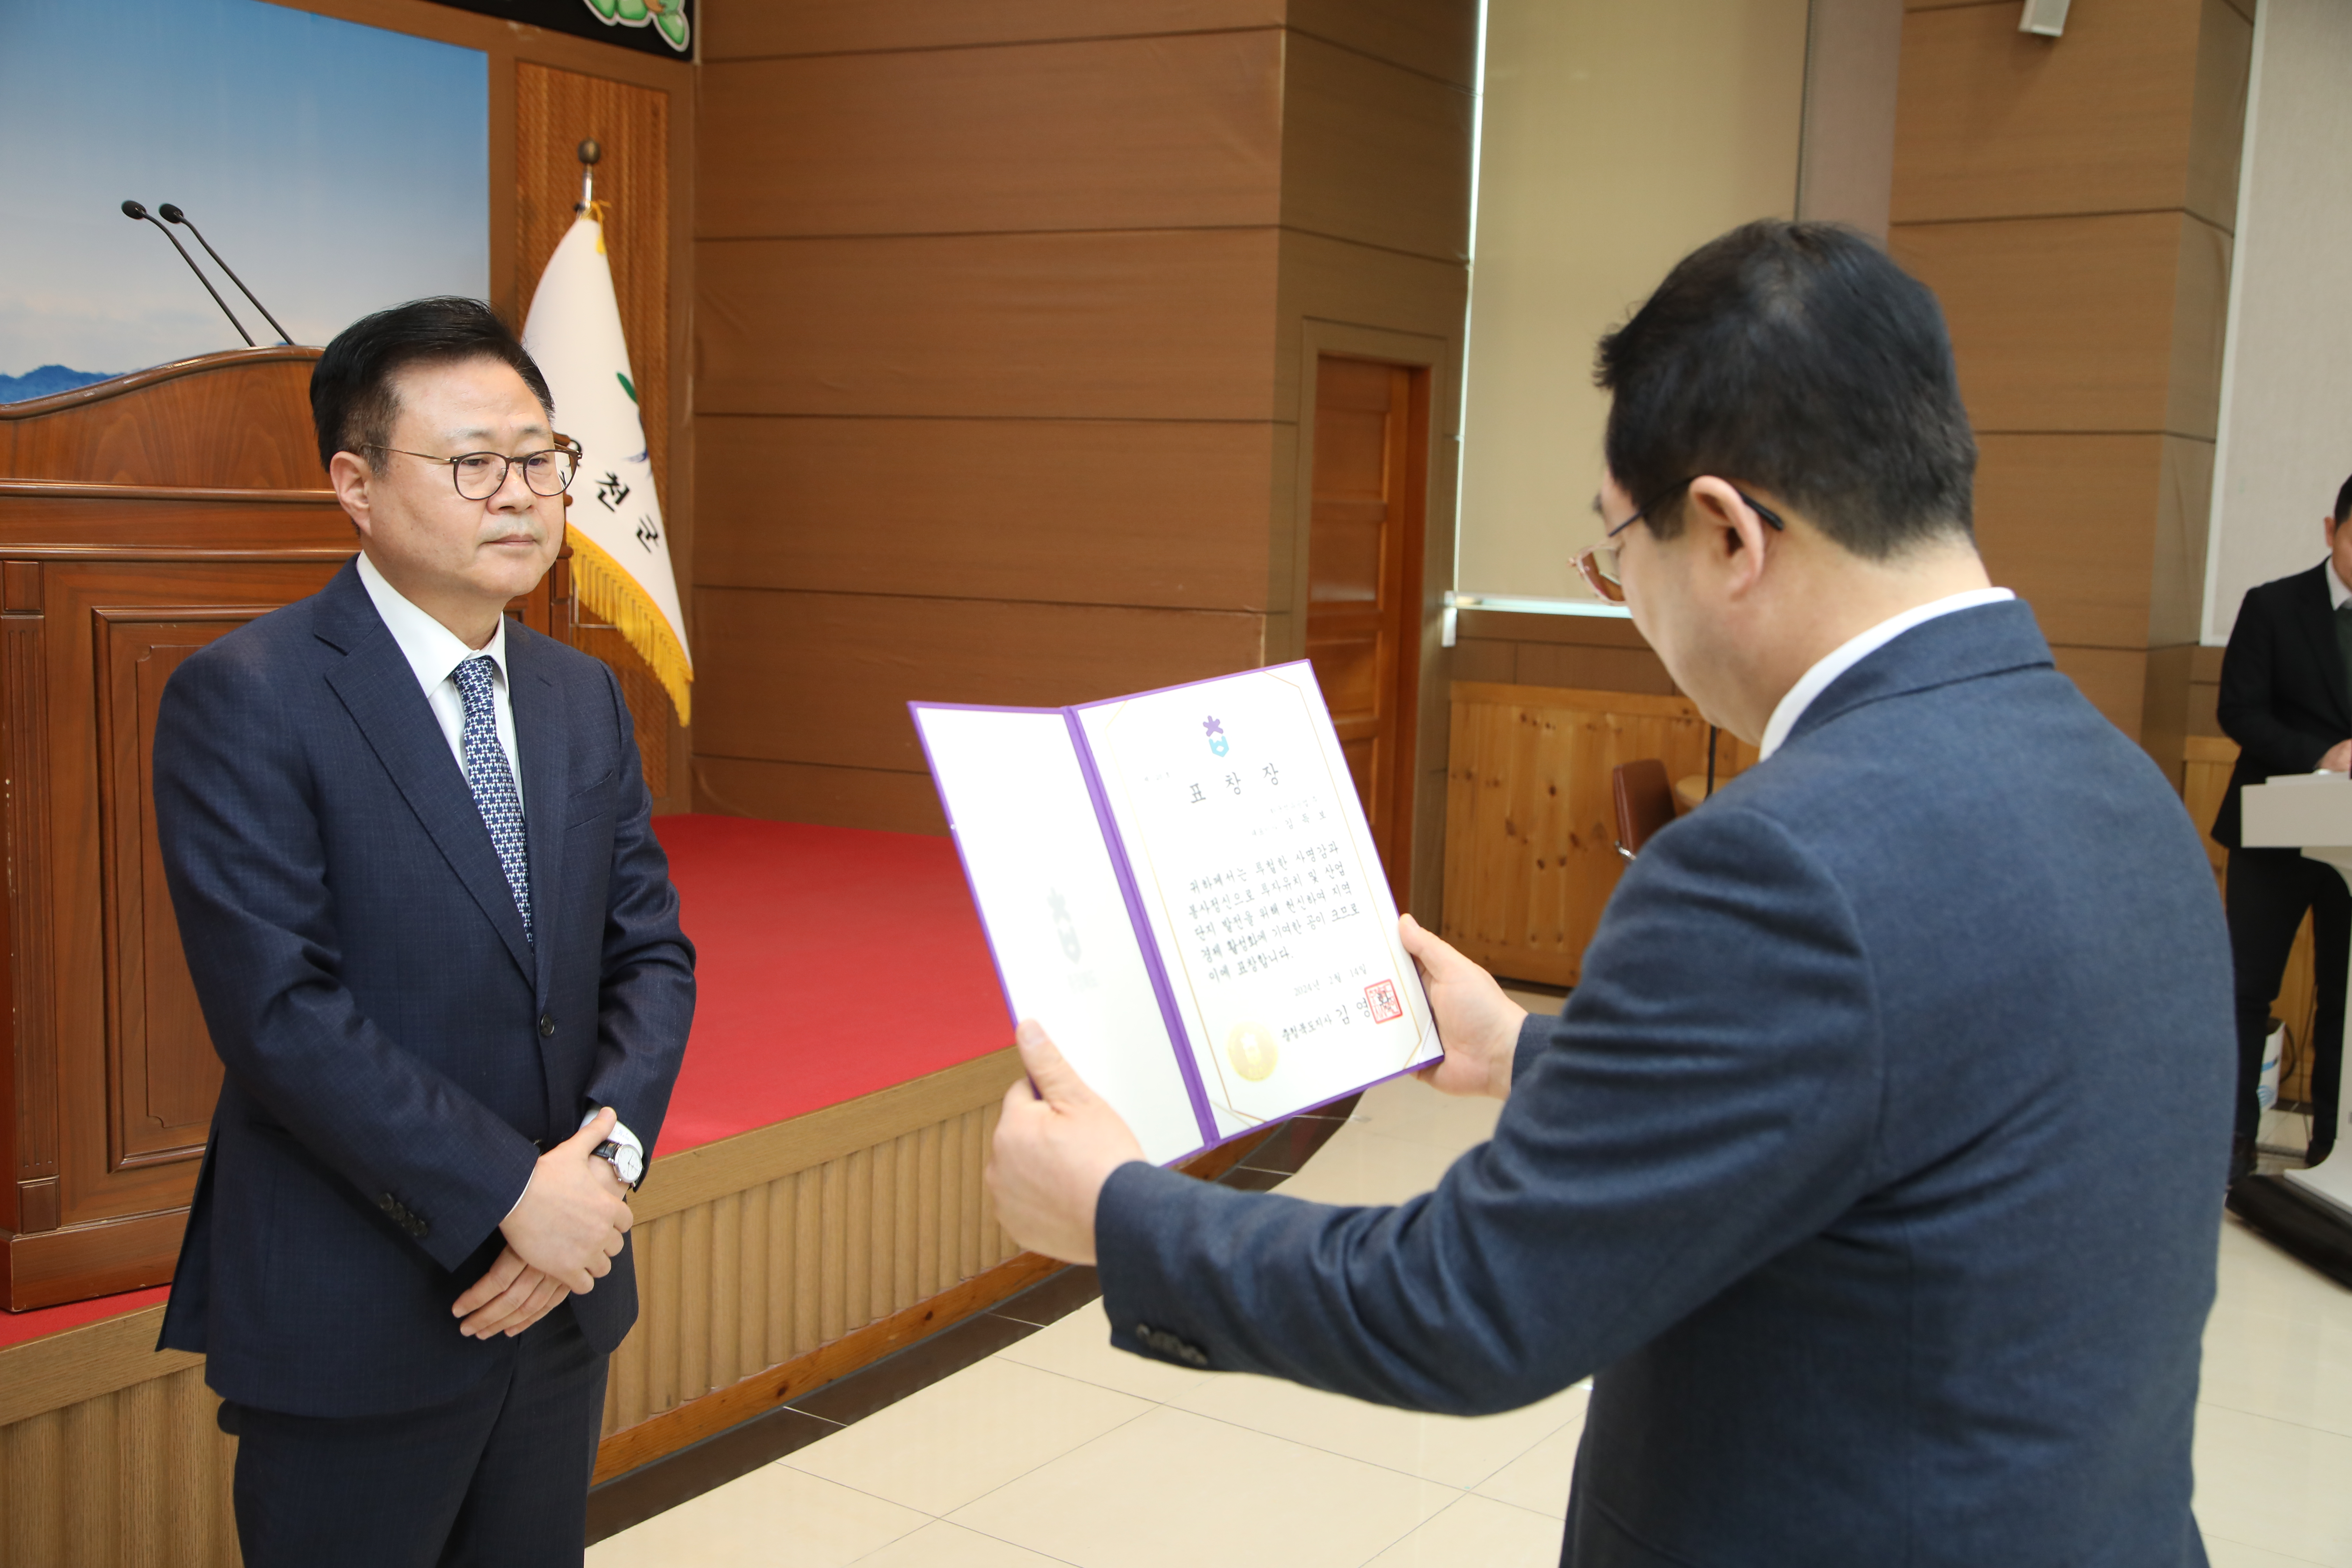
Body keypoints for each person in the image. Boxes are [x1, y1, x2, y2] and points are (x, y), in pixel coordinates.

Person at [987, 222, 2233, 1567]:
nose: (1625, 595)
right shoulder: (2122, 788)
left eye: (1617, 548)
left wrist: (1120, 1213)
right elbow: (1899, 1077)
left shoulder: (1776, 862)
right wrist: (1531, 1046)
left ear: (1728, 531)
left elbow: (1470, 1303)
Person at [152, 297, 695, 1568]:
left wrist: (596, 1186)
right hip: (360, 1307)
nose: (521, 496)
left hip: (561, 1297)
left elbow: (650, 957)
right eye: (473, 464)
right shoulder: (249, 696)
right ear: (354, 482)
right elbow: (280, 1015)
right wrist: (509, 1196)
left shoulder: (580, 695)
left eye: (541, 459)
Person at [2211, 483, 2352, 1182]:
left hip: (2350, 843)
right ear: (2332, 530)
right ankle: (2234, 1136)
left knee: (2345, 995)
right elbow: (2237, 710)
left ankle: (2331, 1142)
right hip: (2273, 826)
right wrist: (2319, 755)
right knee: (2248, 986)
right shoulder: (2272, 605)